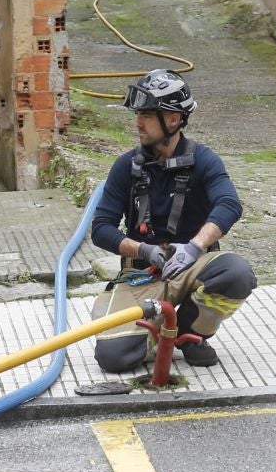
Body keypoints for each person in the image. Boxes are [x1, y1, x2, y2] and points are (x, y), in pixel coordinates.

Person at [89, 70, 257, 374]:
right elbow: (101, 229)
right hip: (143, 276)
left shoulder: (204, 161)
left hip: (189, 265)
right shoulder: (126, 167)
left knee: (237, 273)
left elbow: (229, 204)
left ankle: (187, 334)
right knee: (114, 359)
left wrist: (194, 248)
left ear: (174, 119)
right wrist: (144, 251)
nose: (138, 122)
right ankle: (153, 332)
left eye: (148, 115)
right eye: (138, 114)